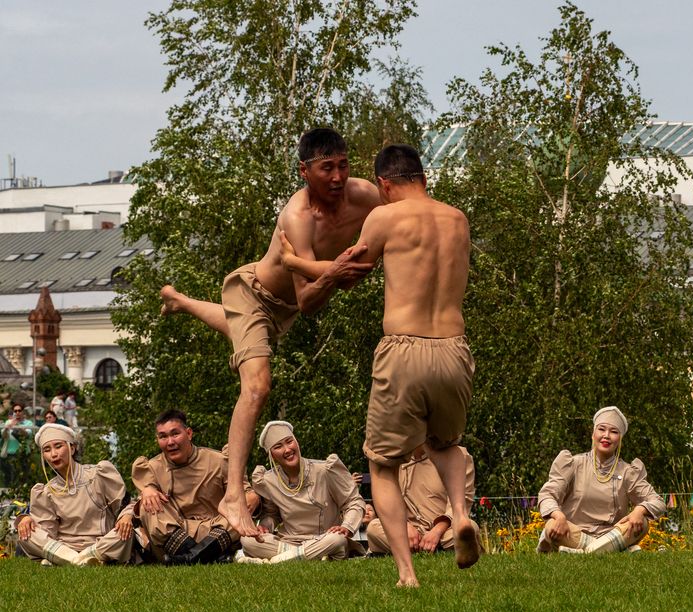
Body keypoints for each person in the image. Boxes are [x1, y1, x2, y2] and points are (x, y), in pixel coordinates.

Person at [158, 128, 380, 538]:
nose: (337, 177)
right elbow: (310, 301)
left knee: (240, 332)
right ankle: (232, 496)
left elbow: (396, 219)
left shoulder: (365, 195)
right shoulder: (298, 217)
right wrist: (335, 272)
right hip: (255, 296)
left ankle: (180, 300)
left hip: (282, 308)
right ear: (304, 171)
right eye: (326, 168)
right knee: (257, 385)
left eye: (343, 166)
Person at [282, 144, 476, 587]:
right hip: (454, 347)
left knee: (382, 464)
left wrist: (292, 259)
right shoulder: (458, 219)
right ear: (423, 177)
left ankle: (407, 574)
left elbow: (346, 273)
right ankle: (461, 515)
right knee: (444, 444)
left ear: (385, 184)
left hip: (404, 348)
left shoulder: (385, 217)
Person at [131, 409, 259, 564]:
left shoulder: (219, 460)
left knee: (240, 507)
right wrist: (146, 490)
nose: (170, 442)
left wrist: (251, 496)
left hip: (216, 530)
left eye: (175, 434)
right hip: (176, 533)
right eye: (163, 436)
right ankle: (210, 558)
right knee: (147, 505)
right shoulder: (151, 468)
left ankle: (187, 559)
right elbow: (139, 509)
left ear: (189, 433)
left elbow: (244, 492)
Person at [536, 406, 666, 554]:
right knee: (552, 525)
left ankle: (582, 553)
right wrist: (558, 516)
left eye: (614, 432)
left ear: (620, 439)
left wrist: (640, 509)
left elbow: (658, 502)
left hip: (612, 535)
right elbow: (547, 495)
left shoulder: (628, 472)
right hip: (574, 534)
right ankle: (616, 552)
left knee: (641, 522)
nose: (606, 436)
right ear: (593, 434)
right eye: (602, 429)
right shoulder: (573, 464)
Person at [237, 421, 365, 564]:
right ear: (271, 455)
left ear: (297, 443)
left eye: (289, 442)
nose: (287, 450)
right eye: (278, 447)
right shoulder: (268, 480)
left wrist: (346, 526)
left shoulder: (325, 470)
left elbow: (353, 501)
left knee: (337, 540)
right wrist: (265, 527)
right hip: (289, 541)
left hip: (325, 538)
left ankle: (278, 560)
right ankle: (303, 556)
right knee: (247, 540)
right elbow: (272, 515)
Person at [14, 423, 133, 565]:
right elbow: (46, 530)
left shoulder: (98, 474)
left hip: (101, 542)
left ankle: (66, 559)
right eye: (47, 450)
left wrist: (126, 516)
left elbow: (124, 503)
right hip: (64, 546)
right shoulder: (46, 491)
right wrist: (27, 519)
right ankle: (80, 560)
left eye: (58, 446)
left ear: (72, 448)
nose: (53, 454)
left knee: (124, 532)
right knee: (26, 535)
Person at [366, 445, 475, 557]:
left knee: (471, 528)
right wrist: (404, 526)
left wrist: (437, 531)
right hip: (407, 533)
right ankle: (430, 549)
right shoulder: (394, 459)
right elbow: (387, 500)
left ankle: (416, 549)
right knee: (373, 528)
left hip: (445, 532)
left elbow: (462, 500)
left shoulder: (458, 455)